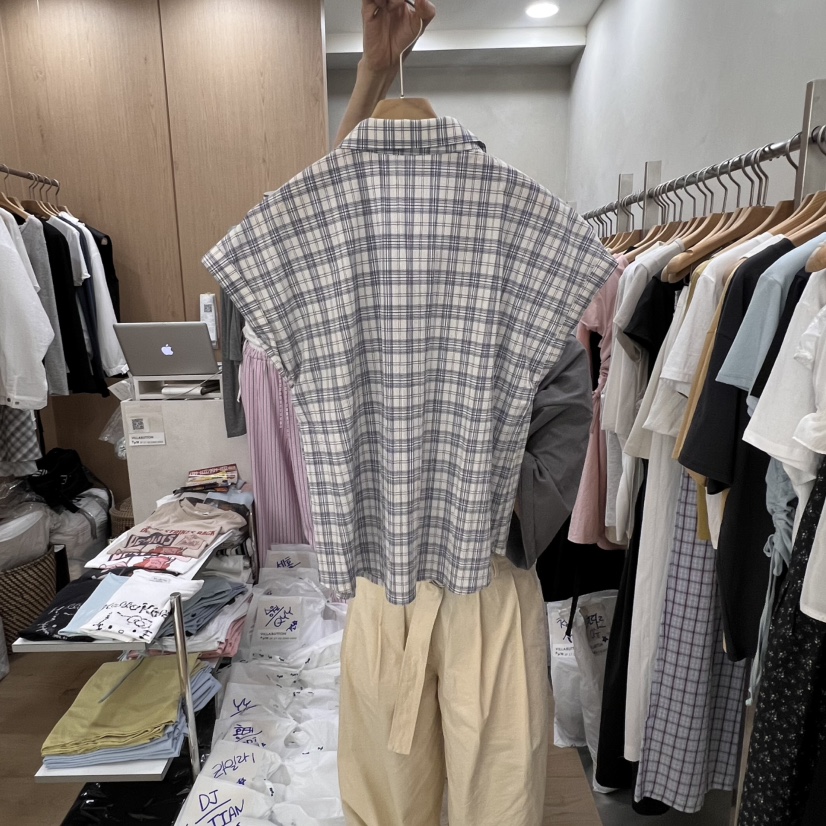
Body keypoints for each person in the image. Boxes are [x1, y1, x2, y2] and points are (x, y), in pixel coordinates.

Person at [330, 4, 596, 825]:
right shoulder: (363, 293)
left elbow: (560, 443)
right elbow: (322, 226)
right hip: (387, 581)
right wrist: (373, 76)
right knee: (386, 802)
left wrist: (464, 442)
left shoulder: (532, 302)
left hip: (489, 582)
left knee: (499, 798)